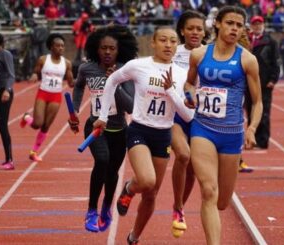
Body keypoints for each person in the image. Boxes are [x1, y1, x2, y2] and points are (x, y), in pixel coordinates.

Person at [93, 26, 193, 245]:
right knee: (147, 181)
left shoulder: (183, 74)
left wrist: (171, 92)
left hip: (163, 134)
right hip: (140, 130)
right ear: (153, 43)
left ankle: (134, 236)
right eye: (164, 40)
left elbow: (187, 115)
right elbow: (111, 81)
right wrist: (103, 116)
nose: (168, 45)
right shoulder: (138, 66)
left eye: (173, 41)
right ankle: (129, 188)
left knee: (151, 194)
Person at [184, 6, 262, 244]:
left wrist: (252, 128)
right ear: (217, 24)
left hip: (232, 133)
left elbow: (257, 102)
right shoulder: (199, 54)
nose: (234, 29)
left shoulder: (247, 60)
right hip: (202, 128)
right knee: (208, 190)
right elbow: (189, 84)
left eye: (239, 25)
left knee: (222, 201)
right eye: (230, 23)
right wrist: (190, 95)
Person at [71, 25, 138, 232]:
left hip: (119, 130)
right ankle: (91, 209)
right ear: (95, 49)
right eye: (103, 48)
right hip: (96, 127)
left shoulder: (125, 71)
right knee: (102, 160)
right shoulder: (86, 68)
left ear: (119, 51)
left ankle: (106, 207)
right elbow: (79, 85)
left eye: (112, 48)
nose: (107, 52)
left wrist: (114, 82)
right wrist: (74, 110)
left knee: (112, 172)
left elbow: (130, 106)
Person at [170, 9, 206, 238]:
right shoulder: (172, 51)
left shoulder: (210, 53)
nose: (195, 32)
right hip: (173, 114)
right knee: (183, 155)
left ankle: (180, 206)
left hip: (201, 116)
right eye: (190, 28)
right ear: (182, 30)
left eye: (199, 28)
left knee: (193, 167)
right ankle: (177, 205)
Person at [20, 34, 74, 162]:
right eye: (58, 45)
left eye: (62, 46)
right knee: (37, 124)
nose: (60, 48)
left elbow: (71, 82)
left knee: (45, 126)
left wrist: (81, 80)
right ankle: (26, 117)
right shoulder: (43, 60)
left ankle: (33, 152)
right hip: (43, 94)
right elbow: (36, 71)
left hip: (56, 96)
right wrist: (33, 75)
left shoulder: (67, 63)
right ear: (51, 47)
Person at [247, 15, 280, 149]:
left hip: (264, 82)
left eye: (259, 24)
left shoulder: (271, 42)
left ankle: (263, 140)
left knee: (263, 112)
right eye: (254, 24)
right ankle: (251, 139)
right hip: (247, 82)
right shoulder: (246, 40)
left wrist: (273, 79)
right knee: (249, 111)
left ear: (263, 25)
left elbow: (276, 61)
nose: (257, 26)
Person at [0, 31, 15, 170]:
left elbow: (11, 74)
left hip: (4, 92)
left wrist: (7, 89)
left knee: (2, 126)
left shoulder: (5, 54)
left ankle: (9, 160)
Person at [237, 25, 254, 173]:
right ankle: (238, 160)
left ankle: (238, 159)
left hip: (239, 93)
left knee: (239, 124)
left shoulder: (246, 50)